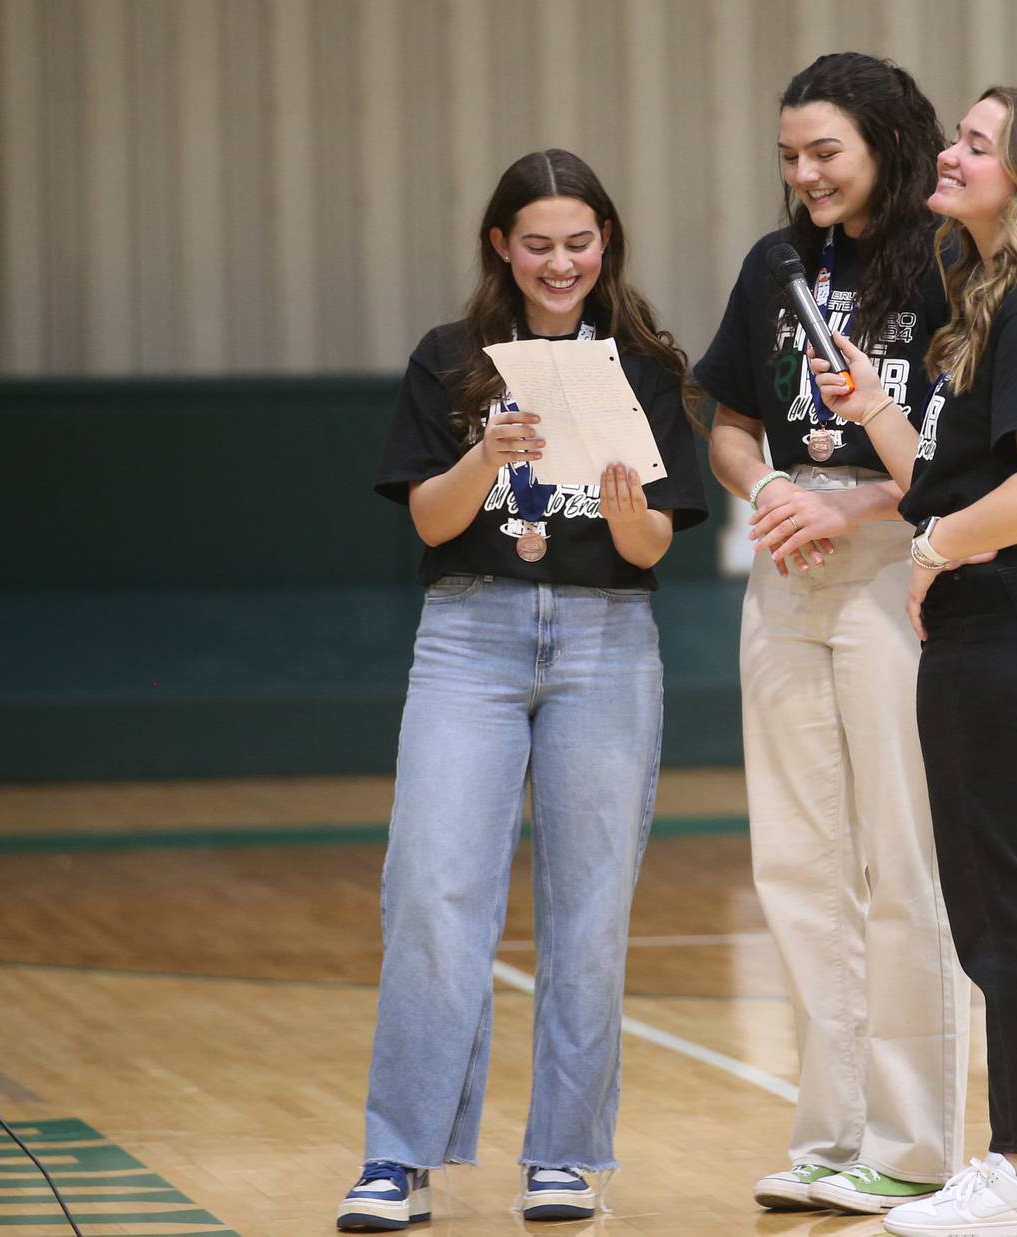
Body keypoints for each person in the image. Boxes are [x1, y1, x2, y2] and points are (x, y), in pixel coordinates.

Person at [336, 149, 708, 1231]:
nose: (560, 263)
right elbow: (430, 521)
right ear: (501, 244)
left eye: (579, 243)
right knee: (431, 890)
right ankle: (398, 1157)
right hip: (471, 637)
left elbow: (651, 543)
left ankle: (564, 1155)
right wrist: (488, 458)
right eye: (537, 243)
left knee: (590, 911)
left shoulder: (644, 363)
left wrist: (623, 494)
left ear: (607, 244)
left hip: (605, 641)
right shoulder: (450, 360)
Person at [810, 86, 1017, 1237]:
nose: (950, 153)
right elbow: (944, 479)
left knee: (1004, 915)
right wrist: (877, 411)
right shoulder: (992, 309)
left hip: (1008, 627)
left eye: (976, 143)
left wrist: (937, 552)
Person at [694, 52, 970, 1216]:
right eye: (789, 156)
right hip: (786, 572)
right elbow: (730, 422)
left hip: (895, 571)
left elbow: (958, 458)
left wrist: (852, 502)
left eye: (826, 153)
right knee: (799, 864)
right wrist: (763, 490)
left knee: (904, 861)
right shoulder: (774, 266)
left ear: (886, 146)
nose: (804, 174)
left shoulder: (952, 265)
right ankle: (831, 1136)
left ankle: (914, 1146)